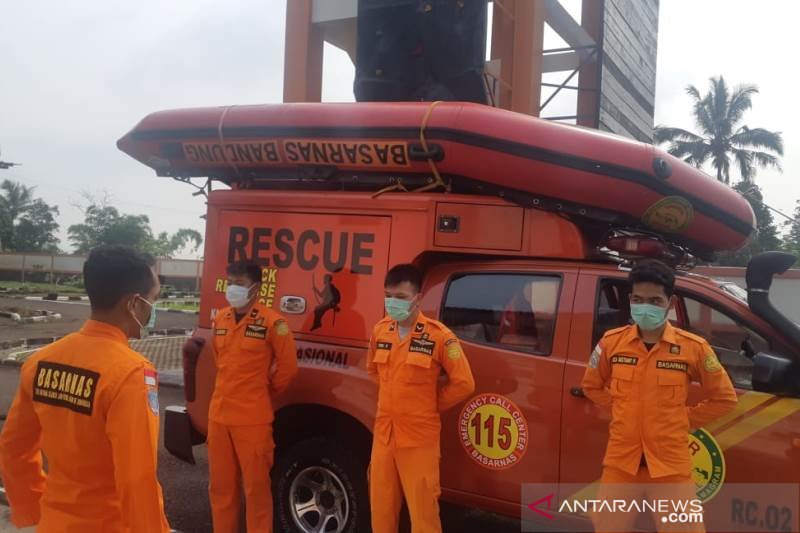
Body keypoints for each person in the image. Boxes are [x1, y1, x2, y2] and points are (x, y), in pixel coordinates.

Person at [0, 245, 171, 532]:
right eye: (153, 299)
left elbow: (14, 448)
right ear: (133, 303)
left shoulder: (41, 360)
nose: (154, 309)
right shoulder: (131, 373)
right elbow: (136, 478)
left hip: (53, 522)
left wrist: (30, 507)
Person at [581, 259, 738, 532]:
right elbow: (591, 386)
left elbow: (724, 398)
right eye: (639, 299)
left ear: (669, 301)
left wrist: (683, 418)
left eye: (655, 300)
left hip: (670, 467)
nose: (646, 306)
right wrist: (621, 406)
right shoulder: (611, 343)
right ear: (630, 299)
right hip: (621, 465)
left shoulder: (694, 348)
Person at [366, 263, 476, 533]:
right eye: (388, 296)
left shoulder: (439, 337)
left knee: (423, 514)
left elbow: (464, 383)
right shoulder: (381, 330)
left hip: (418, 438)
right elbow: (373, 370)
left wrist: (428, 405)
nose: (393, 303)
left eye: (400, 298)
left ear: (418, 298)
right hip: (384, 435)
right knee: (380, 509)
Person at [201, 260, 298, 533]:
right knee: (220, 489)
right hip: (219, 417)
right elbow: (219, 359)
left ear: (256, 288)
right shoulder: (220, 318)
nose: (232, 289)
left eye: (239, 284)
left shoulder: (274, 323)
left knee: (255, 489)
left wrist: (263, 392)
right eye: (230, 282)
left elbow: (288, 368)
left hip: (252, 420)